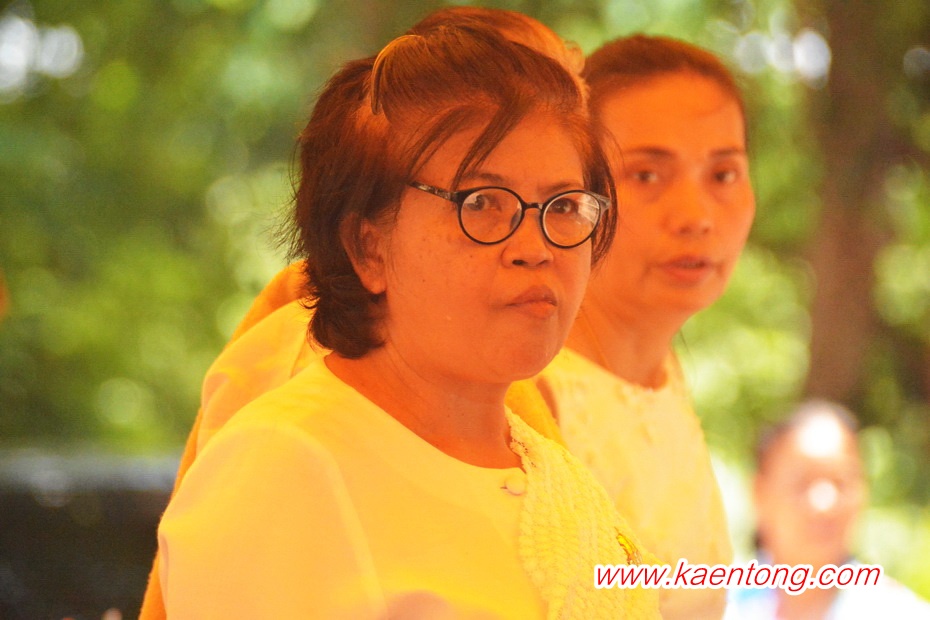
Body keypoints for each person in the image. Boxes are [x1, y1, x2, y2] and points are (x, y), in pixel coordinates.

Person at [154, 15, 659, 618]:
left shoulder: (551, 469)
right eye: (482, 202)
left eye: (565, 205)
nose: (536, 246)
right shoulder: (282, 465)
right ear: (367, 247)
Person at [533, 34, 756, 619]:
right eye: (648, 175)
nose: (696, 217)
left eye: (724, 175)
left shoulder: (665, 377)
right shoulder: (528, 398)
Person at [725, 399, 930, 618]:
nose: (825, 504)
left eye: (842, 482)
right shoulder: (716, 607)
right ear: (759, 493)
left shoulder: (899, 612)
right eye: (802, 483)